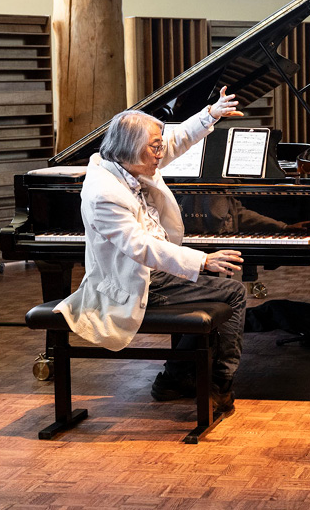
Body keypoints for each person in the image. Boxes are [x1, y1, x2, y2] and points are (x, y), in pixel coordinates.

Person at [54, 86, 247, 414]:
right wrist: (201, 261)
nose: (161, 154)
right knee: (234, 293)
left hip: (155, 272)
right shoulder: (103, 193)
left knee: (222, 290)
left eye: (159, 146)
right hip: (136, 281)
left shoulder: (128, 163)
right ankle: (219, 383)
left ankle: (175, 376)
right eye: (154, 147)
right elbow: (140, 247)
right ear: (131, 149)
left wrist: (211, 114)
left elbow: (175, 139)